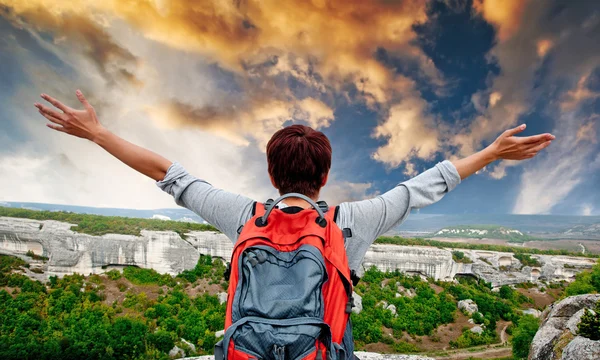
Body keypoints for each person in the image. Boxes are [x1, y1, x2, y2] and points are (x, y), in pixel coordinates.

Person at [34, 90, 554, 278]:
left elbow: (166, 173)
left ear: (270, 173)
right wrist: (491, 152)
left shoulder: (243, 217)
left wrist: (98, 132)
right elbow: (428, 185)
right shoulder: (354, 220)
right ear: (325, 177)